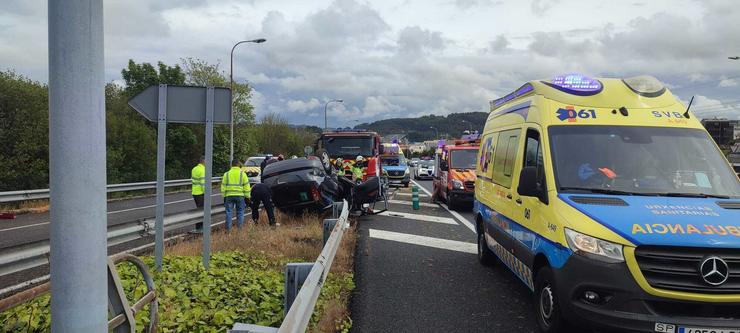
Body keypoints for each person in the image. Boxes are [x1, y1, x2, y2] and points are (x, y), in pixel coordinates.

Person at [221, 161, 251, 231]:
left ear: (232, 165)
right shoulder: (242, 174)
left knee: (229, 213)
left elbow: (223, 186)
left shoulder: (226, 174)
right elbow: (246, 186)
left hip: (229, 196)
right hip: (240, 196)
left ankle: (228, 231)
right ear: (238, 165)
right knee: (240, 212)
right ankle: (239, 230)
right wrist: (247, 197)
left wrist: (224, 196)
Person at [191, 156, 206, 232]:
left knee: (199, 209)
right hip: (201, 193)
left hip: (195, 192)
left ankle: (199, 227)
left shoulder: (194, 169)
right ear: (204, 162)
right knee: (201, 210)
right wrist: (206, 193)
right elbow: (203, 183)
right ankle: (200, 227)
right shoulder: (203, 170)